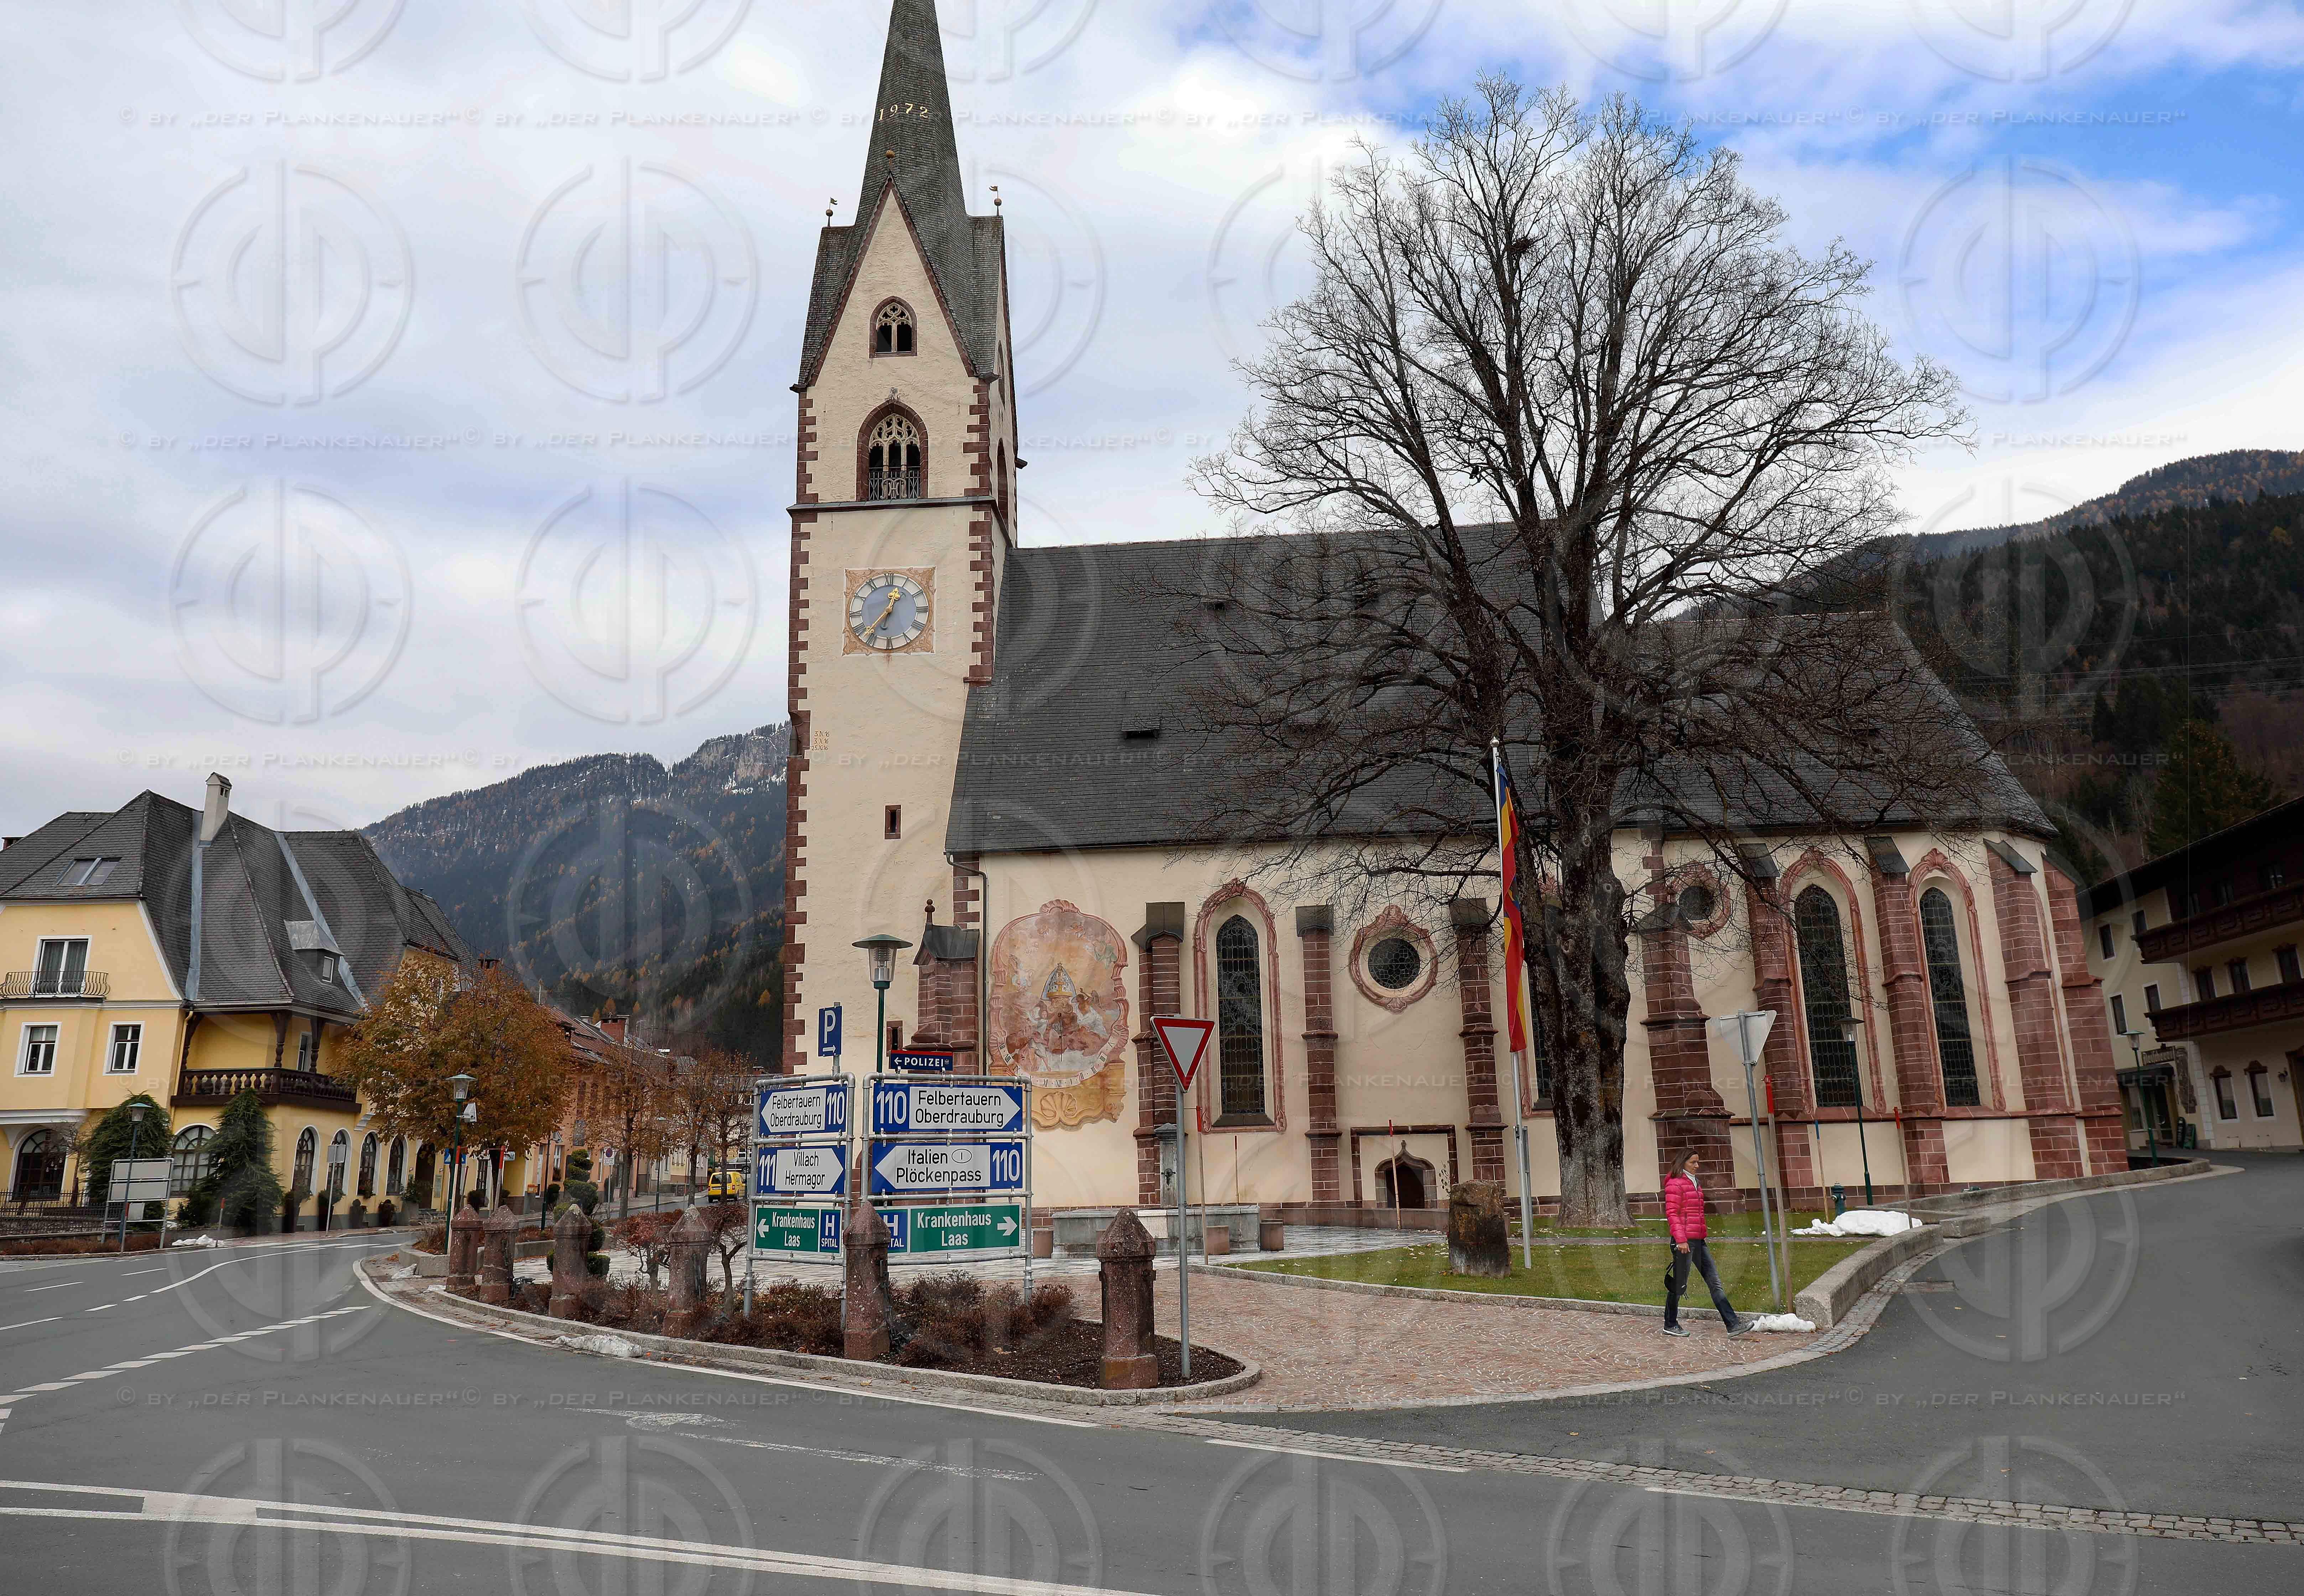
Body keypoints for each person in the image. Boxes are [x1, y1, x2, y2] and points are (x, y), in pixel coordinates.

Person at [1662, 1149, 1751, 1337]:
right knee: (1679, 1286)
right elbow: (1673, 1214)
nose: (1697, 1166)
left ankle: (1733, 1325)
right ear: (1683, 1162)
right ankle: (1670, 1324)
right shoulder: (1675, 1184)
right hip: (1684, 1243)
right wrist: (1681, 1240)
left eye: (1698, 1162)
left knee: (1715, 1282)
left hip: (1699, 1241)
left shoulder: (1695, 1183)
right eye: (1693, 1162)